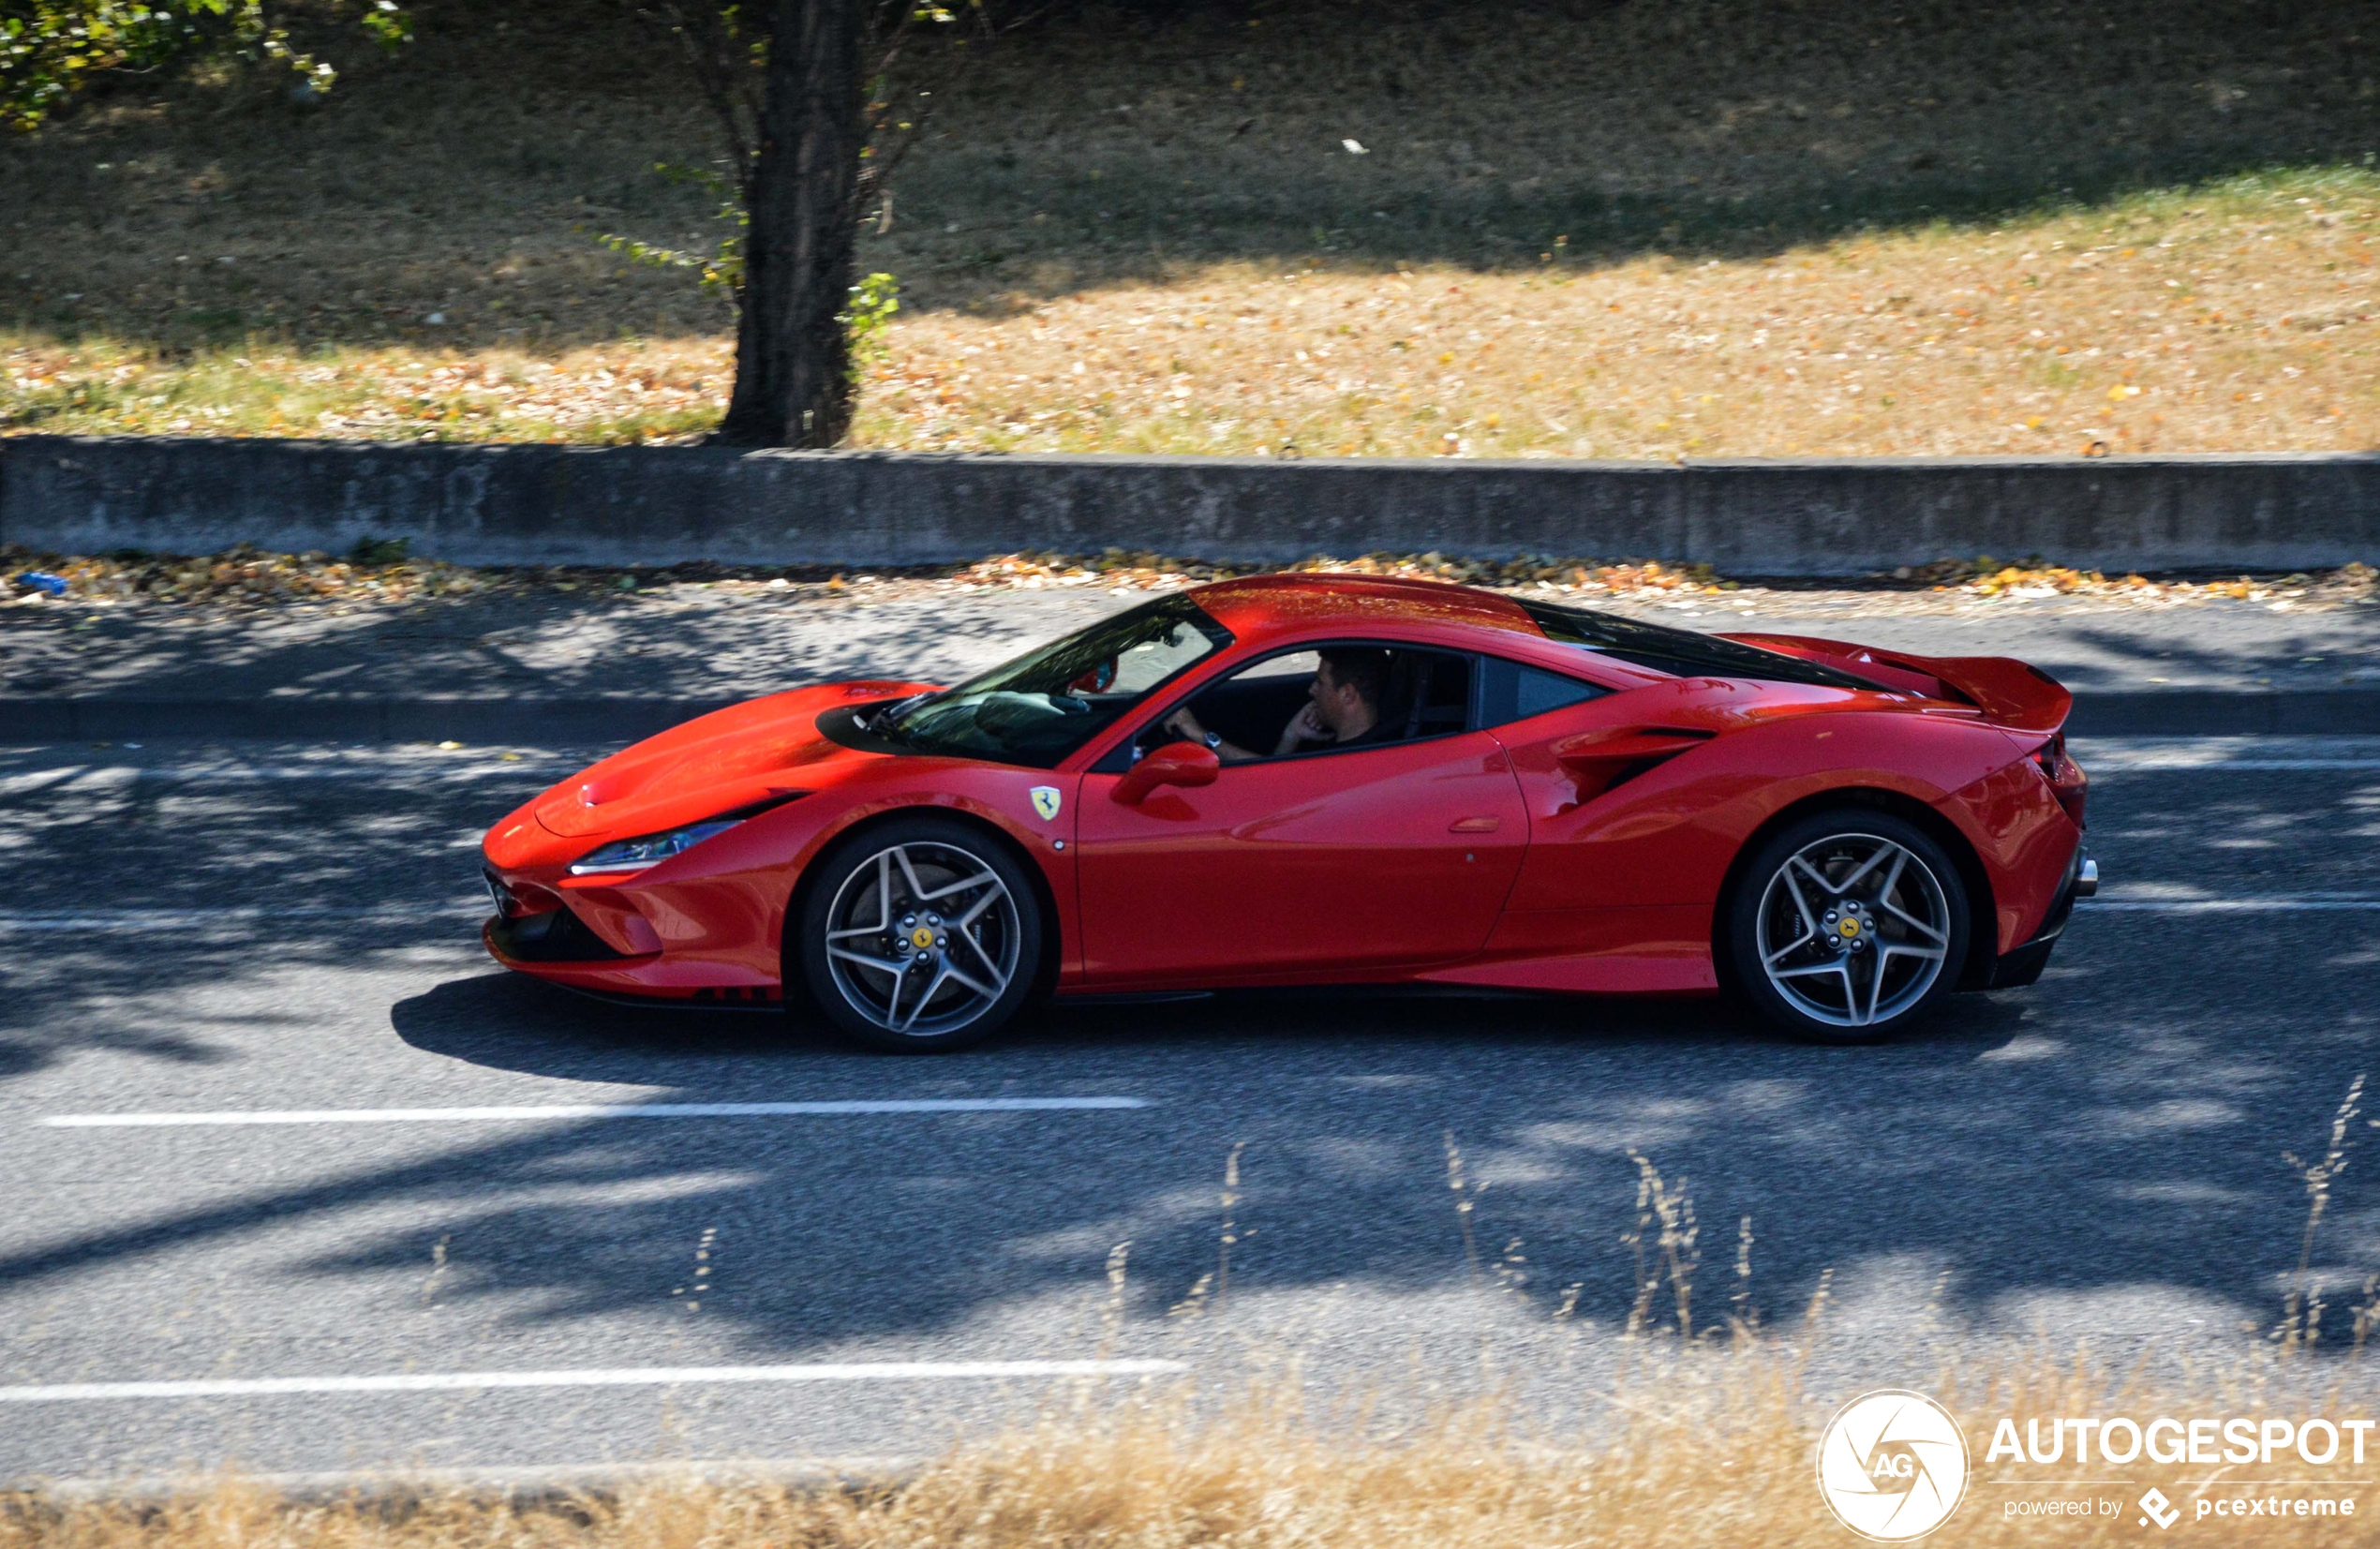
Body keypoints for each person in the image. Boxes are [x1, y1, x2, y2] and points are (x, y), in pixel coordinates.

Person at [1161, 648, 1394, 764]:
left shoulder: (1350, 763)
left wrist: (1200, 735)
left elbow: (1266, 784)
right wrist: (1291, 737)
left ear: (1347, 695)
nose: (1311, 690)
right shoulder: (1352, 744)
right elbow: (1279, 778)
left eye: (1320, 683)